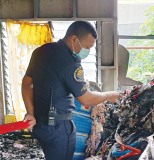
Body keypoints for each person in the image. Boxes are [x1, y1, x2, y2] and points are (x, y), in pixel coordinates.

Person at [21, 21, 121, 160]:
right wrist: (108, 95)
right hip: (59, 129)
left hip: (40, 126)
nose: (88, 51)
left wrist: (30, 112)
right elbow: (86, 98)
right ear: (74, 39)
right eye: (87, 46)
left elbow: (26, 83)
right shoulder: (70, 62)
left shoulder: (41, 51)